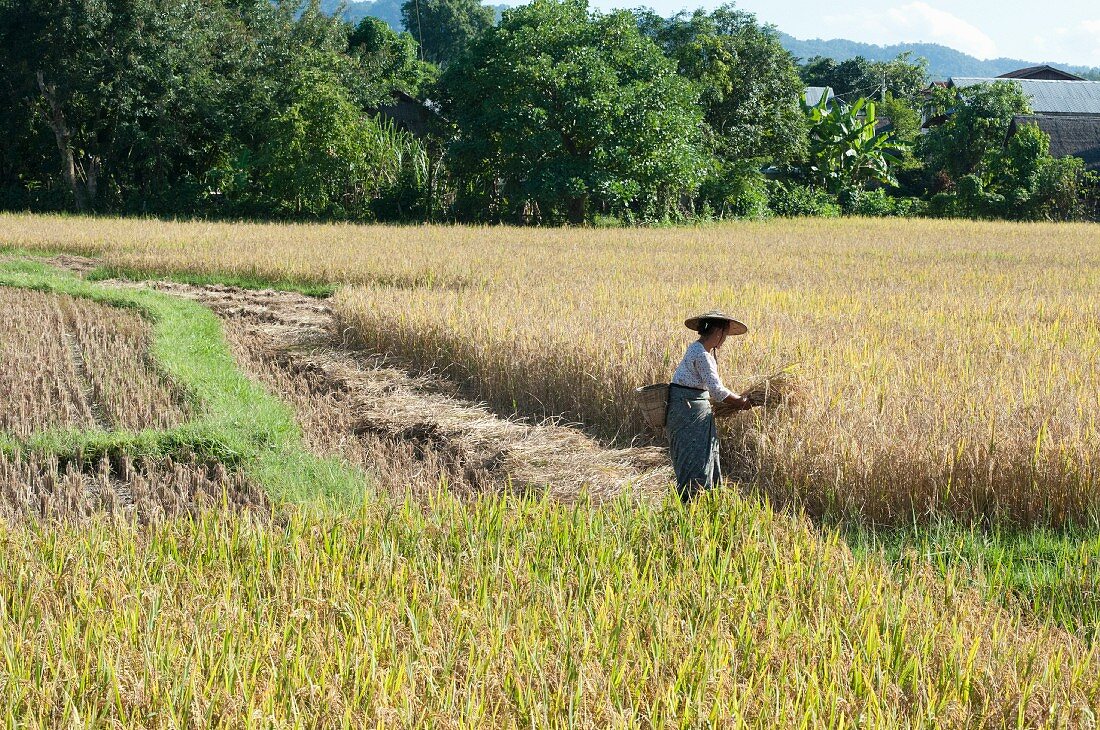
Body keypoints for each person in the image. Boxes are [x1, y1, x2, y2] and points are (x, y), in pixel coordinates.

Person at [667, 310, 751, 501]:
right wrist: (741, 402)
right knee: (697, 458)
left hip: (685, 409)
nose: (725, 340)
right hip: (689, 411)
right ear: (719, 332)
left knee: (694, 456)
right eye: (726, 334)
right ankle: (693, 502)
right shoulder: (703, 355)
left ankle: (698, 502)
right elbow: (717, 391)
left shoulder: (695, 349)